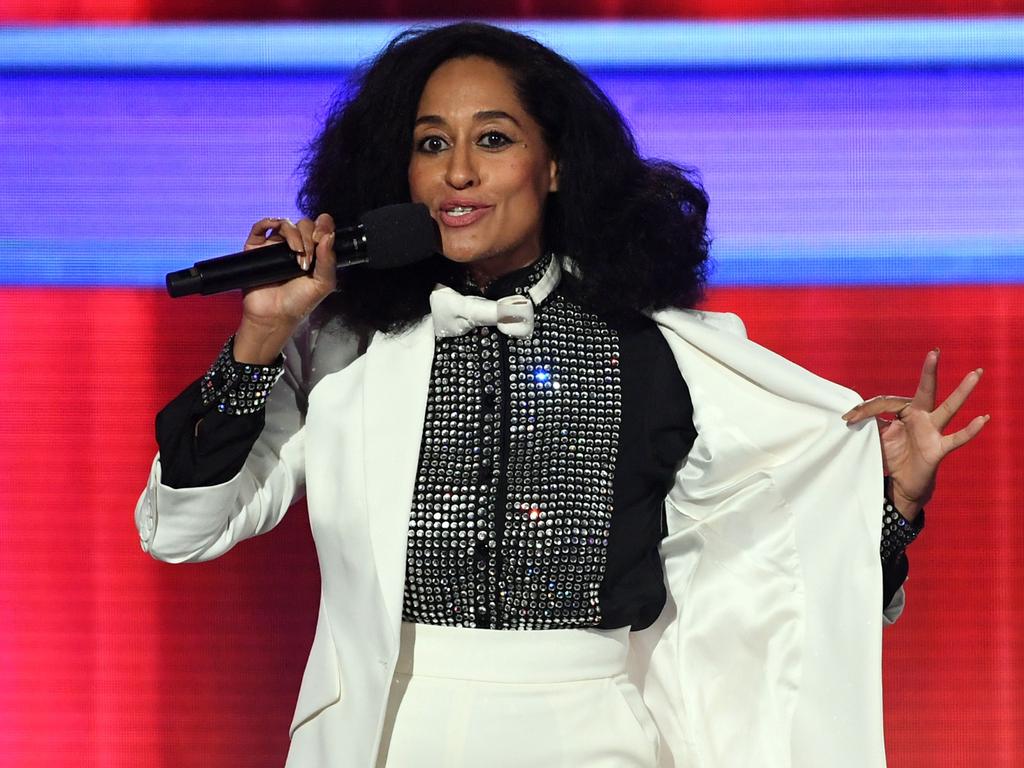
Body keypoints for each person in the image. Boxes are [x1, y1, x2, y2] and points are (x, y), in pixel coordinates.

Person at [134, 21, 988, 768]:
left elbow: (773, 559)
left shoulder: (660, 349)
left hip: (590, 733)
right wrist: (262, 335)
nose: (459, 173)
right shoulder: (342, 348)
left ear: (554, 168)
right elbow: (182, 530)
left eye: (494, 140)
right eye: (432, 144)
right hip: (380, 733)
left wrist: (890, 503)